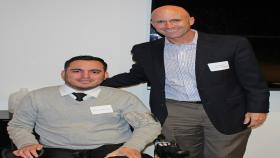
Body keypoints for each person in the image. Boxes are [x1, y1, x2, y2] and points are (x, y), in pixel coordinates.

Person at [102, 5, 270, 158]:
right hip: (176, 112)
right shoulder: (146, 50)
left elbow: (253, 80)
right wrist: (94, 83)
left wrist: (258, 108)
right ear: (154, 24)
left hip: (227, 110)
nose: (168, 26)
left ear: (191, 20)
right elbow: (136, 75)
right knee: (181, 156)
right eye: (161, 22)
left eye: (175, 20)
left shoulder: (230, 44)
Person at [7, 55, 161, 158]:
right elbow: (19, 125)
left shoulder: (123, 98)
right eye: (77, 71)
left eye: (94, 71)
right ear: (63, 73)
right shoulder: (37, 97)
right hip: (56, 152)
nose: (85, 76)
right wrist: (27, 143)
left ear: (105, 75)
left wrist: (133, 146)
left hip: (112, 152)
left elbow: (148, 125)